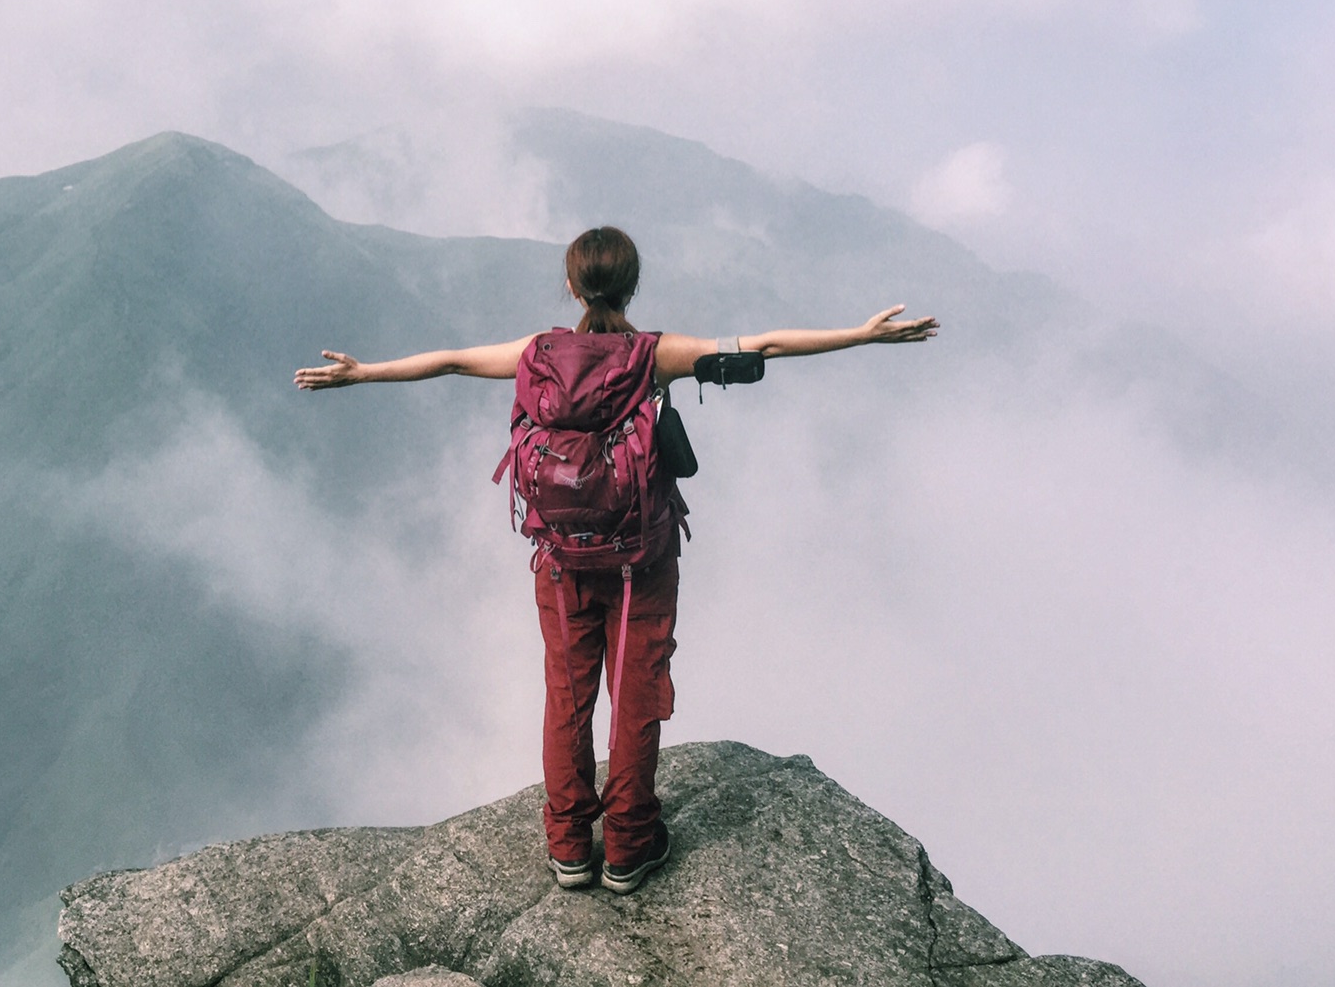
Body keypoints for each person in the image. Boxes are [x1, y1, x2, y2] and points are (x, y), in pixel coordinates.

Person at [294, 225, 937, 894]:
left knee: (568, 696)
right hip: (641, 565)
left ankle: (570, 844)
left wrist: (362, 373)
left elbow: (453, 360)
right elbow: (761, 345)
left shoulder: (537, 353)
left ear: (571, 286)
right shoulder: (653, 356)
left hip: (561, 563)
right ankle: (628, 849)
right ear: (631, 286)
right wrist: (863, 334)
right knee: (635, 699)